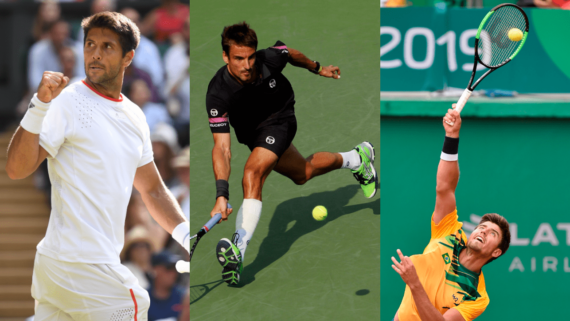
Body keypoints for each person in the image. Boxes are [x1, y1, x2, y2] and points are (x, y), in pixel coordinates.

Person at [5, 12, 190, 319]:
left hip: (64, 268)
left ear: (128, 57)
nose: (95, 53)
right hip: (78, 263)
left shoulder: (135, 117)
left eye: (107, 46)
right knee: (134, 307)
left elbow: (154, 190)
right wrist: (39, 106)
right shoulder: (68, 101)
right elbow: (16, 169)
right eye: (90, 44)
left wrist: (187, 237)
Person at [206, 22, 378, 285]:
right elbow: (222, 147)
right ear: (225, 57)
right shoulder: (218, 93)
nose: (247, 65)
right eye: (239, 59)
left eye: (251, 56)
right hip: (253, 133)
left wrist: (318, 68)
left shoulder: (269, 59)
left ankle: (238, 248)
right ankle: (357, 158)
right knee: (303, 173)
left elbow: (290, 53)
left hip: (280, 117)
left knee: (253, 172)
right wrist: (221, 194)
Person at [390, 107, 511, 321]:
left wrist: (414, 283)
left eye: (493, 233)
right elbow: (445, 187)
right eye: (481, 227)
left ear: (496, 253)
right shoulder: (448, 233)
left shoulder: (477, 297)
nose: (482, 231)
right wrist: (452, 136)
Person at [28, 20, 80, 90]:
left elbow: (83, 77)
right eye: (57, 34)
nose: (61, 38)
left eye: (64, 34)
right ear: (50, 34)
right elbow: (34, 82)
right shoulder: (38, 50)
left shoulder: (78, 50)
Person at [147, 251, 189, 321]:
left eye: (175, 268)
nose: (173, 273)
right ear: (155, 269)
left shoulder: (185, 297)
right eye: (169, 268)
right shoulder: (142, 297)